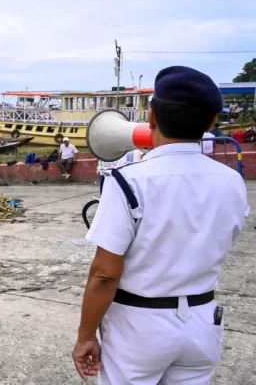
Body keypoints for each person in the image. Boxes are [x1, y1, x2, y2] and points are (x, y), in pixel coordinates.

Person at [73, 66, 250, 384]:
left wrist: (86, 336)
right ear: (211, 123)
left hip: (138, 328)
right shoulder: (233, 182)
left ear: (151, 118)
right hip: (202, 322)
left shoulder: (128, 181)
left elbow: (104, 275)